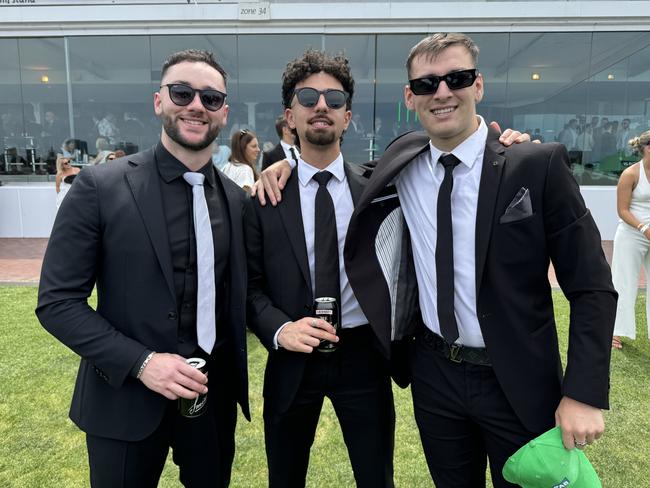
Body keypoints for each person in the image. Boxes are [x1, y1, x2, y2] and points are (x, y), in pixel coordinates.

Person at [342, 32, 616, 488]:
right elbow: (344, 174)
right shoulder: (401, 162)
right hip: (434, 375)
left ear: (479, 86)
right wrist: (284, 162)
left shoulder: (536, 165)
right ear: (411, 97)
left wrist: (583, 393)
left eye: (457, 77)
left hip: (519, 380)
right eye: (427, 84)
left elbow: (591, 287)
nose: (443, 92)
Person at [36, 49, 250, 488]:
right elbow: (57, 303)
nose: (196, 105)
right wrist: (142, 362)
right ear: (159, 101)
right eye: (182, 92)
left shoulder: (236, 199)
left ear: (223, 113)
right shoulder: (100, 186)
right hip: (125, 400)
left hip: (211, 401)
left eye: (210, 98)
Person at [244, 49, 397, 488]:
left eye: (334, 98)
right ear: (289, 115)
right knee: (285, 477)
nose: (321, 106)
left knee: (376, 476)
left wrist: (505, 143)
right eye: (308, 97)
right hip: (293, 358)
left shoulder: (379, 190)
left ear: (348, 116)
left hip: (364, 356)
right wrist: (279, 330)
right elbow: (249, 288)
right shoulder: (264, 198)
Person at [611, 130, 650, 349]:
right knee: (623, 283)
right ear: (647, 148)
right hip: (632, 233)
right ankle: (614, 332)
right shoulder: (630, 174)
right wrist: (644, 228)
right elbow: (622, 210)